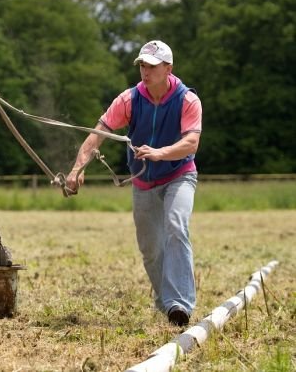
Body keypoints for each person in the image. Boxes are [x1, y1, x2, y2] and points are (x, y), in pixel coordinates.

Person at [65, 40, 202, 327]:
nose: (145, 71)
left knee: (177, 226)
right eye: (142, 65)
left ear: (168, 68)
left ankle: (180, 303)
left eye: (151, 66)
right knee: (150, 249)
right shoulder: (129, 99)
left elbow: (191, 142)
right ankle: (166, 303)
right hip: (143, 183)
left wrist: (159, 153)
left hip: (179, 174)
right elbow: (98, 132)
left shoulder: (187, 100)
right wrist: (77, 168)